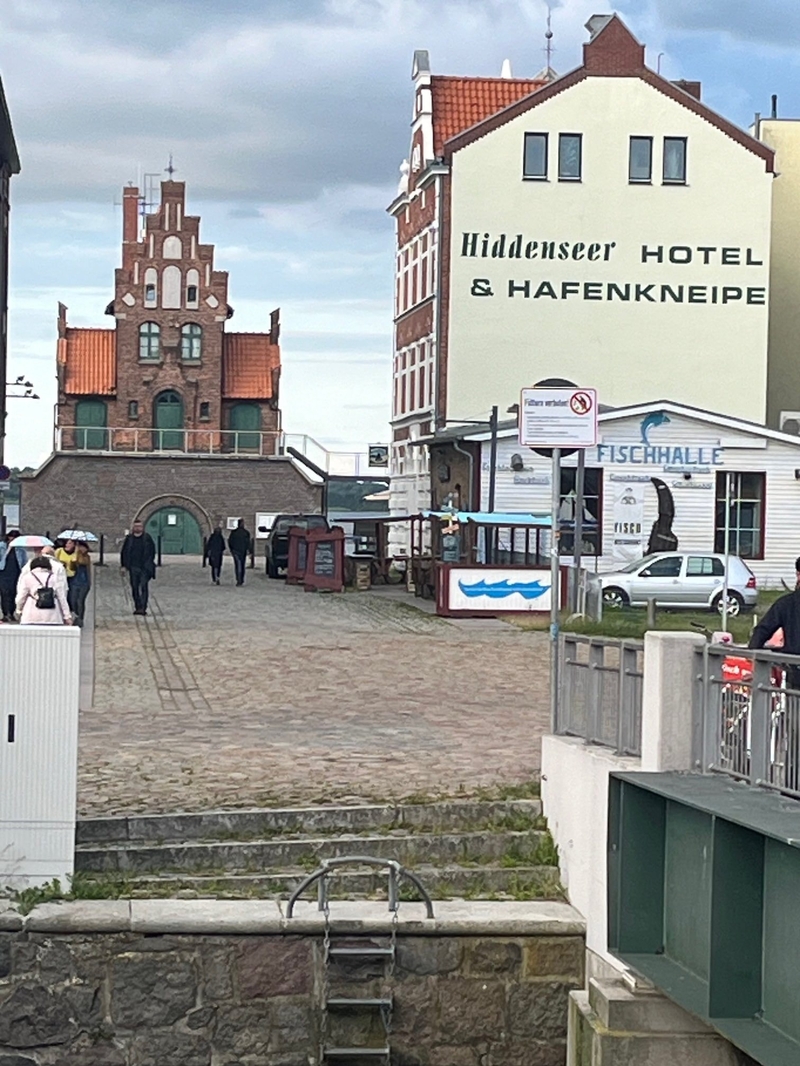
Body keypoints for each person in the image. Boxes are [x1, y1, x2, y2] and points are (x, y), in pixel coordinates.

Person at [15, 555, 72, 626]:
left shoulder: (27, 578)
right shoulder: (55, 578)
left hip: (30, 616)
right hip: (53, 617)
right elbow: (62, 597)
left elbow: (21, 597)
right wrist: (67, 616)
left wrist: (19, 610)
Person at [120, 520, 156, 616]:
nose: (137, 528)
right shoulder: (129, 539)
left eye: (139, 526)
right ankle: (138, 606)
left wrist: (149, 564)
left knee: (143, 586)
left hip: (144, 567)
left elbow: (152, 552)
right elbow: (124, 552)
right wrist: (124, 565)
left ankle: (143, 607)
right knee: (135, 587)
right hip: (133, 567)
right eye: (136, 526)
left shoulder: (147, 538)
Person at [0, 530, 26, 623]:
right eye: (11, 537)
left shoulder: (20, 549)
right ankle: (6, 613)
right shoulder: (2, 546)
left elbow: (23, 562)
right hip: (4, 572)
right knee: (4, 593)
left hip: (16, 573)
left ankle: (11, 612)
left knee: (14, 593)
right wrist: (8, 550)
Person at [70, 541, 92, 626]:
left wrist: (77, 555)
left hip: (84, 582)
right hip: (75, 581)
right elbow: (72, 567)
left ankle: (80, 618)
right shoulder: (74, 556)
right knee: (73, 600)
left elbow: (83, 562)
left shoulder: (86, 557)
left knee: (80, 601)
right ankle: (76, 615)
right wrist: (73, 560)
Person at [228, 518, 251, 587]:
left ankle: (238, 579)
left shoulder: (234, 533)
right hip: (242, 551)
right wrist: (249, 550)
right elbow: (248, 543)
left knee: (238, 565)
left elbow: (230, 541)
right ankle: (241, 579)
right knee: (242, 565)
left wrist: (231, 549)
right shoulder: (246, 533)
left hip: (236, 551)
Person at [55, 538, 78, 607]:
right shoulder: (59, 551)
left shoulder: (76, 553)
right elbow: (54, 561)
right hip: (61, 575)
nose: (67, 545)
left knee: (71, 595)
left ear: (74, 545)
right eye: (67, 543)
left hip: (72, 576)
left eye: (70, 543)